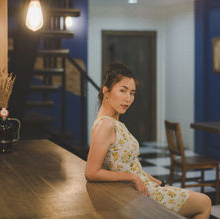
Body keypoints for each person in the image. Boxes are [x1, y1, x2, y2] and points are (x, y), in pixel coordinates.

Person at [85, 63, 212, 218]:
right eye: (123, 91)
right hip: (136, 195)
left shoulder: (112, 121)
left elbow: (131, 166)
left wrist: (158, 182)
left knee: (197, 200)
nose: (128, 98)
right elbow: (91, 172)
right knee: (204, 202)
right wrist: (133, 178)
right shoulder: (105, 125)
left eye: (132, 93)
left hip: (145, 186)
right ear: (106, 91)